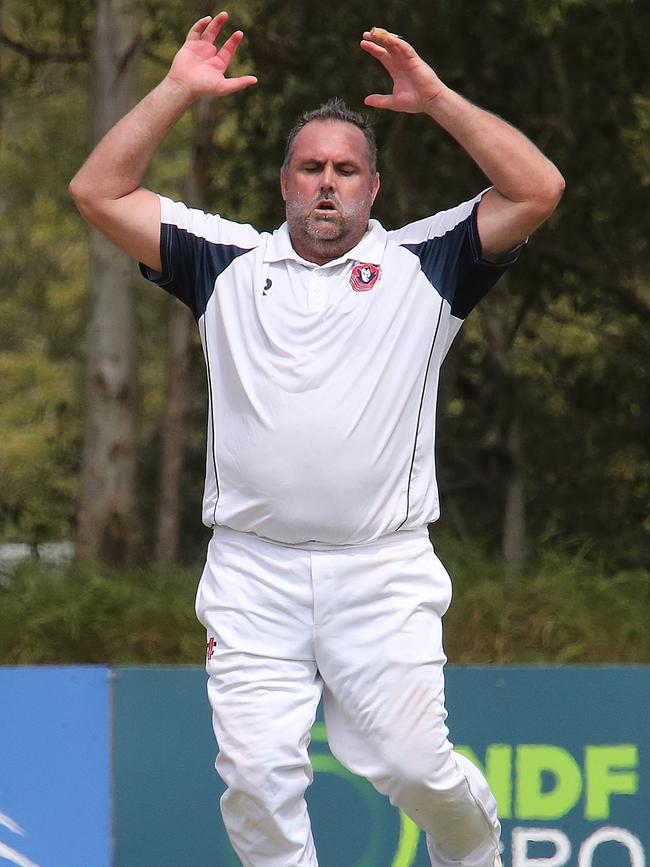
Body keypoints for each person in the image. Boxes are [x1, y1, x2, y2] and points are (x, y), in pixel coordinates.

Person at [70, 12, 564, 867]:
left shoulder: (428, 263)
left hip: (380, 569)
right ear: (285, 183)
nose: (326, 183)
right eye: (310, 168)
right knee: (257, 779)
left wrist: (438, 99)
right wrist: (177, 88)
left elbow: (537, 190)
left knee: (416, 770)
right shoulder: (224, 261)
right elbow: (98, 193)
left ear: (373, 189)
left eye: (345, 170)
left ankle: (477, 853)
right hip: (252, 572)